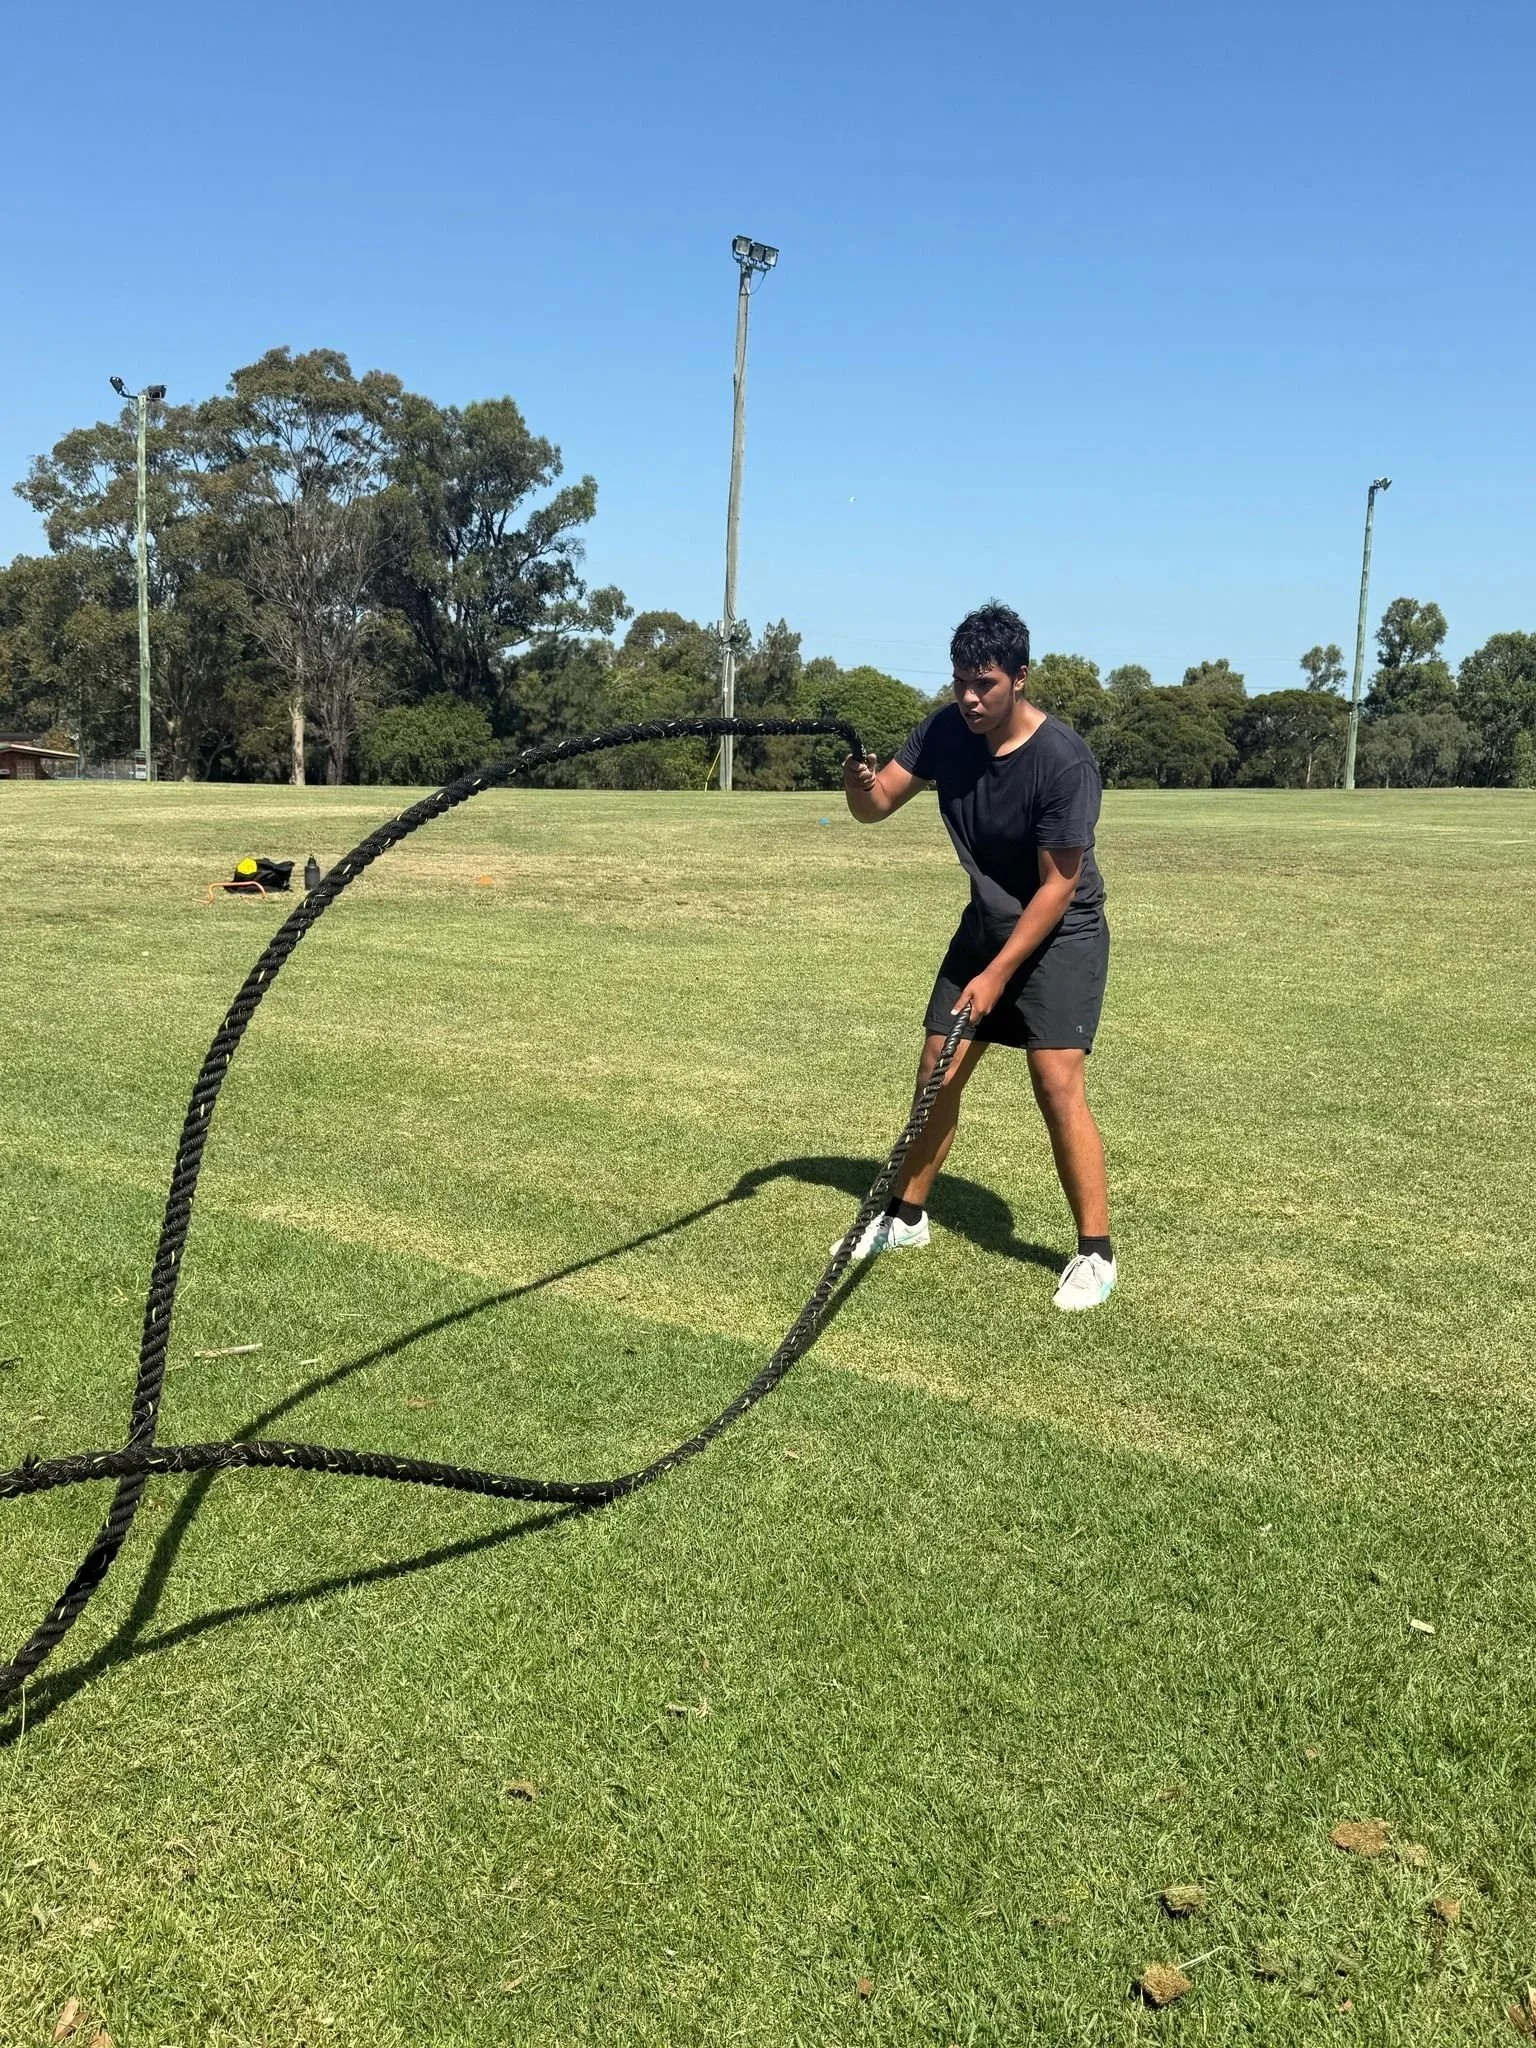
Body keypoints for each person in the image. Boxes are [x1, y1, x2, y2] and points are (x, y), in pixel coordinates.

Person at [839, 600, 1115, 1310]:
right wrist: (857, 786)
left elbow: (1059, 885)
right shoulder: (944, 731)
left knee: (1055, 1080)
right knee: (939, 1065)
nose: (969, 697)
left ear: (1020, 678)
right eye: (960, 681)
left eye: (984, 684)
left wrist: (995, 977)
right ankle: (906, 1217)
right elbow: (875, 806)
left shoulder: (1062, 760)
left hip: (1061, 931)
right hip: (988, 925)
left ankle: (1095, 1253)